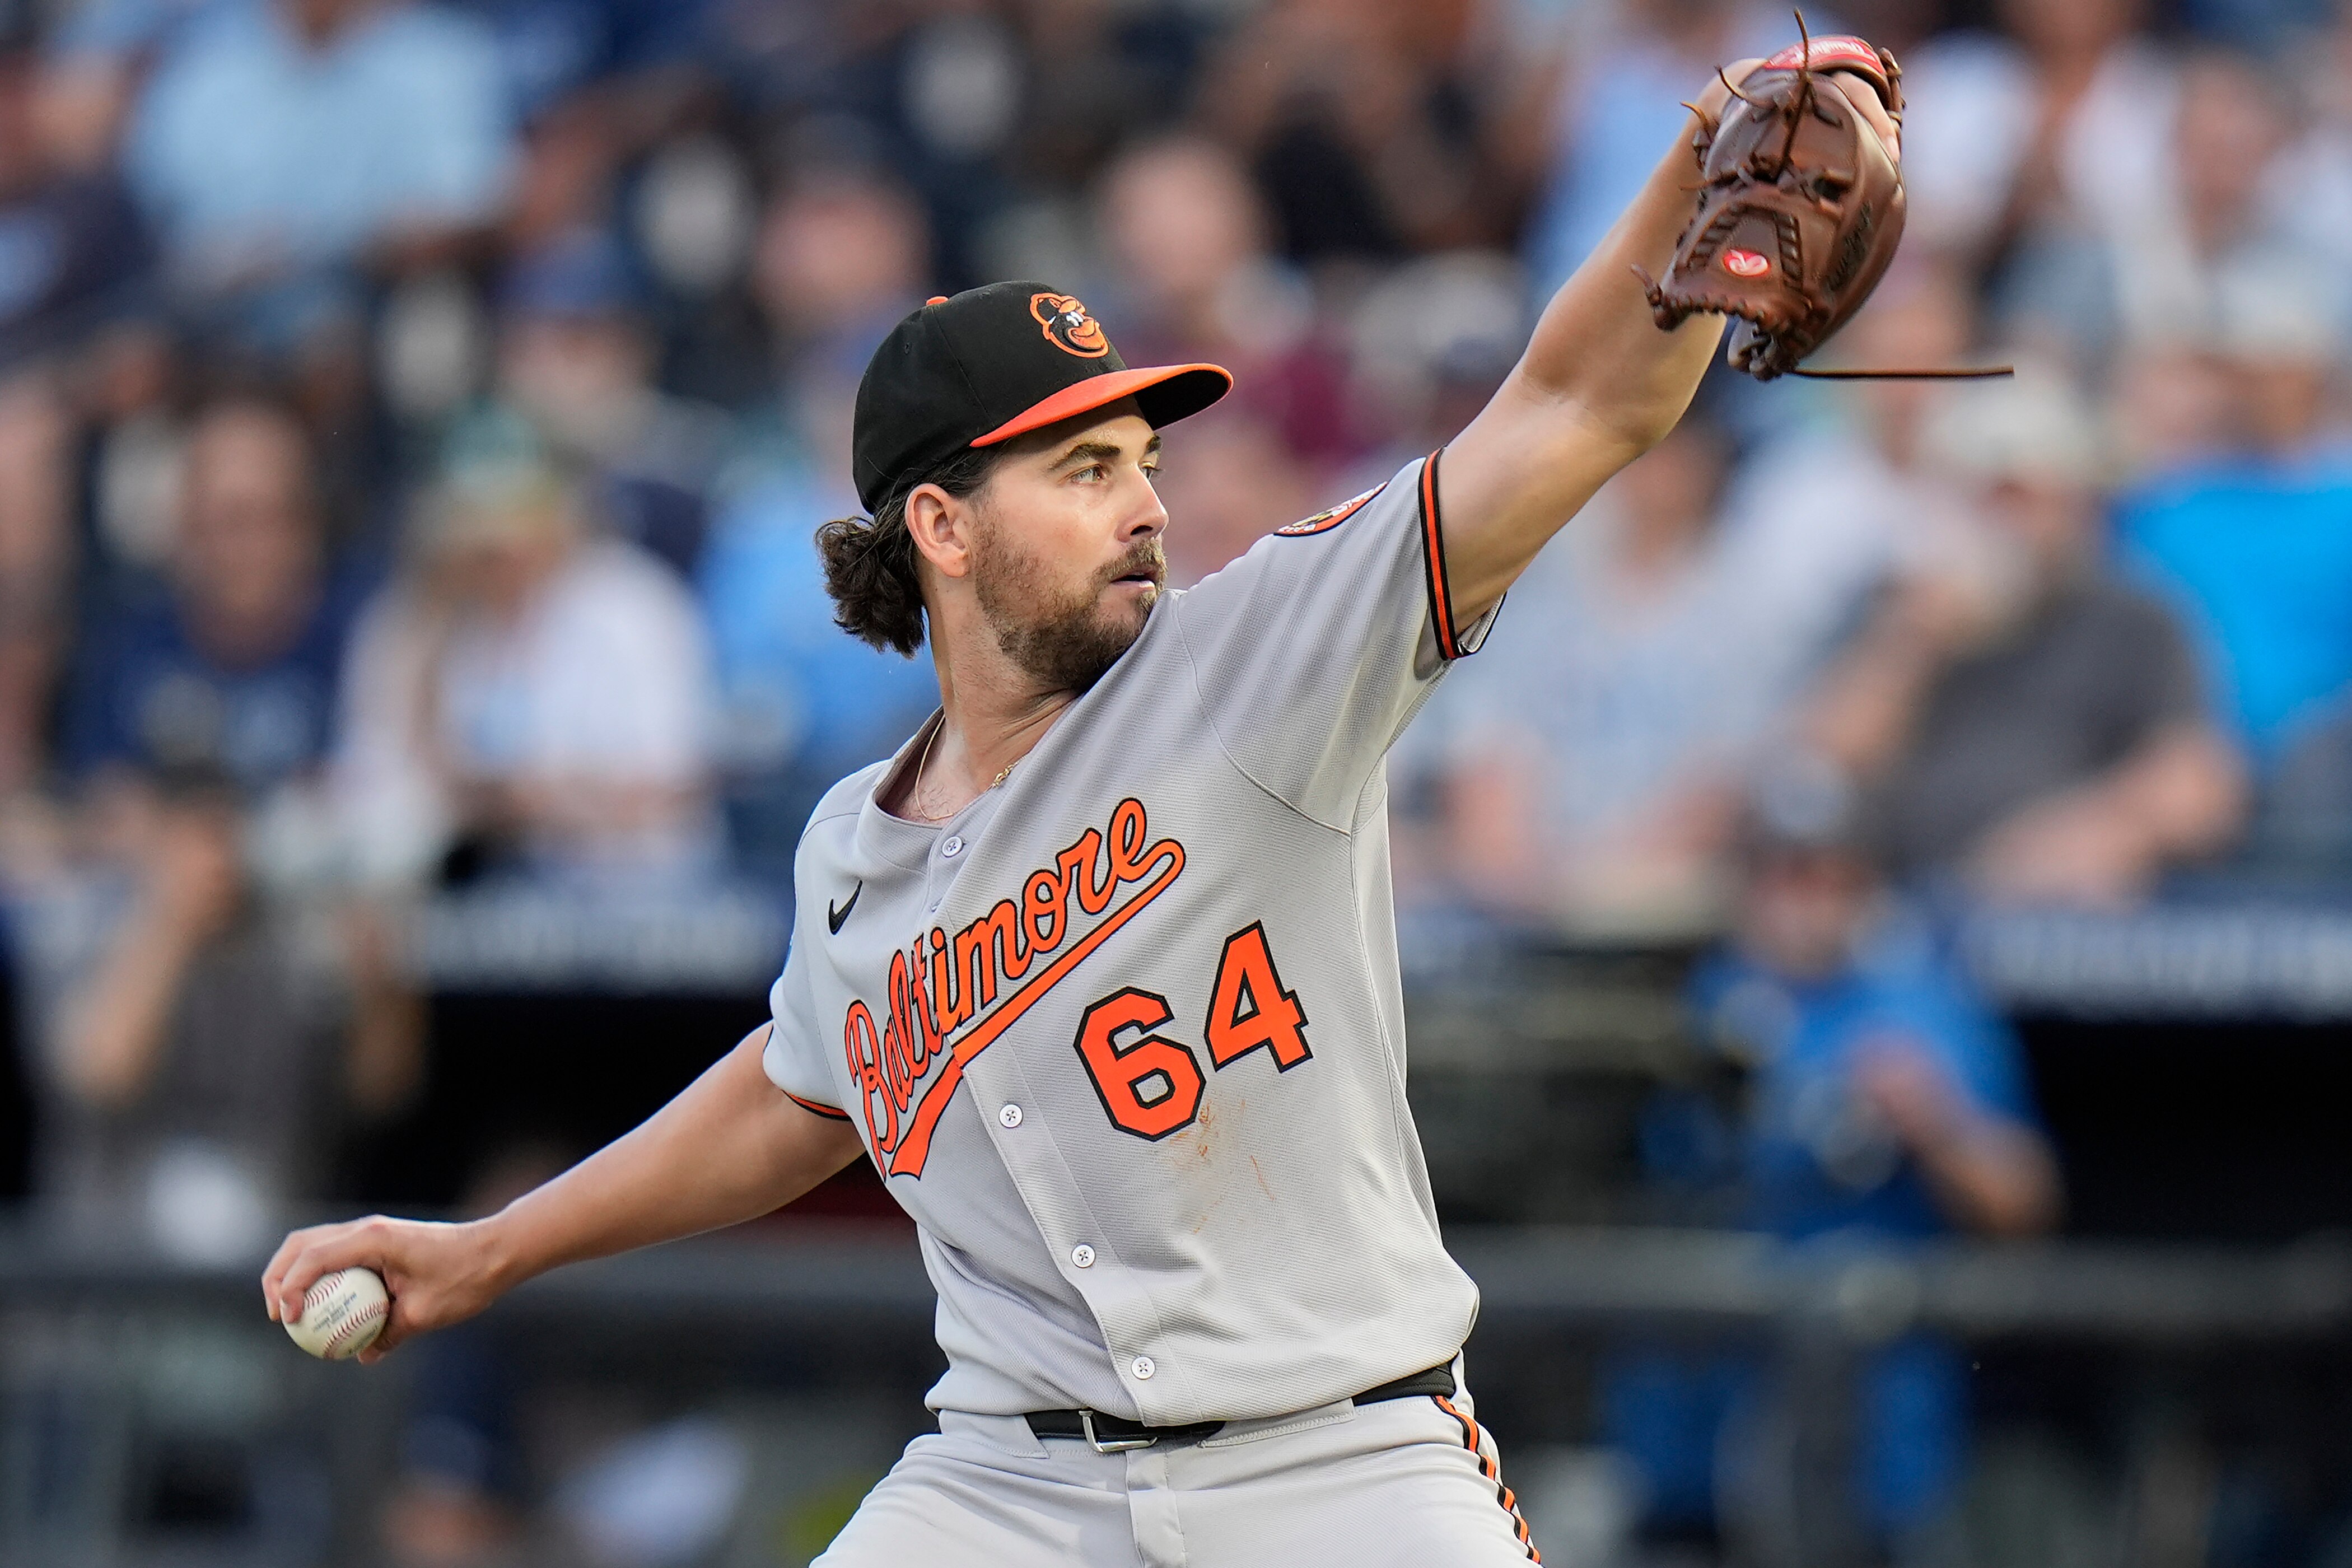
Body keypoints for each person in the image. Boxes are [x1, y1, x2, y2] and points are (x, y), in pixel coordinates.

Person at [264, 40, 1903, 1566]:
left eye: (1140, 460)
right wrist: (489, 1248)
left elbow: (1572, 407)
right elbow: (796, 1089)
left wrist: (1693, 165)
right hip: (1006, 1482)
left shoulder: (1259, 656)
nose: (1139, 505)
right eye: (1077, 470)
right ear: (942, 526)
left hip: (1335, 1464)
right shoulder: (854, 845)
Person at [1611, 772, 2059, 1557]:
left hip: (1873, 1449)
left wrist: (1934, 1121)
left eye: (1827, 874)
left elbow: (2024, 1202)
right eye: (1782, 872)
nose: (1803, 897)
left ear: (1864, 884)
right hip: (1690, 1429)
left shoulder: (1921, 1011)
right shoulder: (1677, 1003)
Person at [1805, 372, 2245, 906]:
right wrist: (1912, 642)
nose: (1998, 519)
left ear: (2076, 505)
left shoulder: (2133, 621)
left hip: (2050, 914)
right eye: (1977, 495)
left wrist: (2089, 830)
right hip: (1891, 904)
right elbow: (1821, 764)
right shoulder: (1895, 605)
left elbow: (2197, 790)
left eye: (2020, 497)